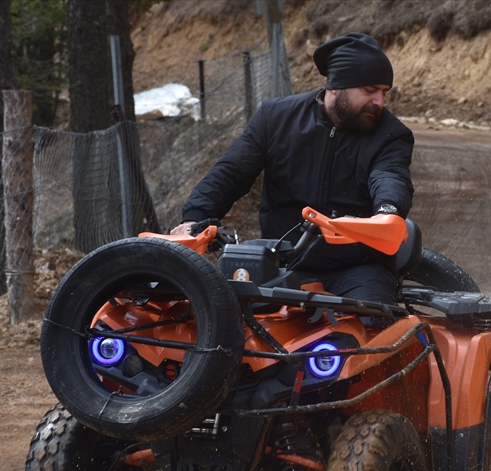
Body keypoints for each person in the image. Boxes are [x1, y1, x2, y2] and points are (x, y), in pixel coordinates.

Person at [173, 32, 414, 305]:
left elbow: (390, 176)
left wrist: (387, 212)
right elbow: (231, 171)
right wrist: (195, 217)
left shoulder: (392, 135)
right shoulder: (275, 118)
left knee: (367, 332)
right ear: (336, 86)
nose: (379, 102)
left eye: (384, 92)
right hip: (281, 260)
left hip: (359, 267)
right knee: (230, 323)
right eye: (370, 91)